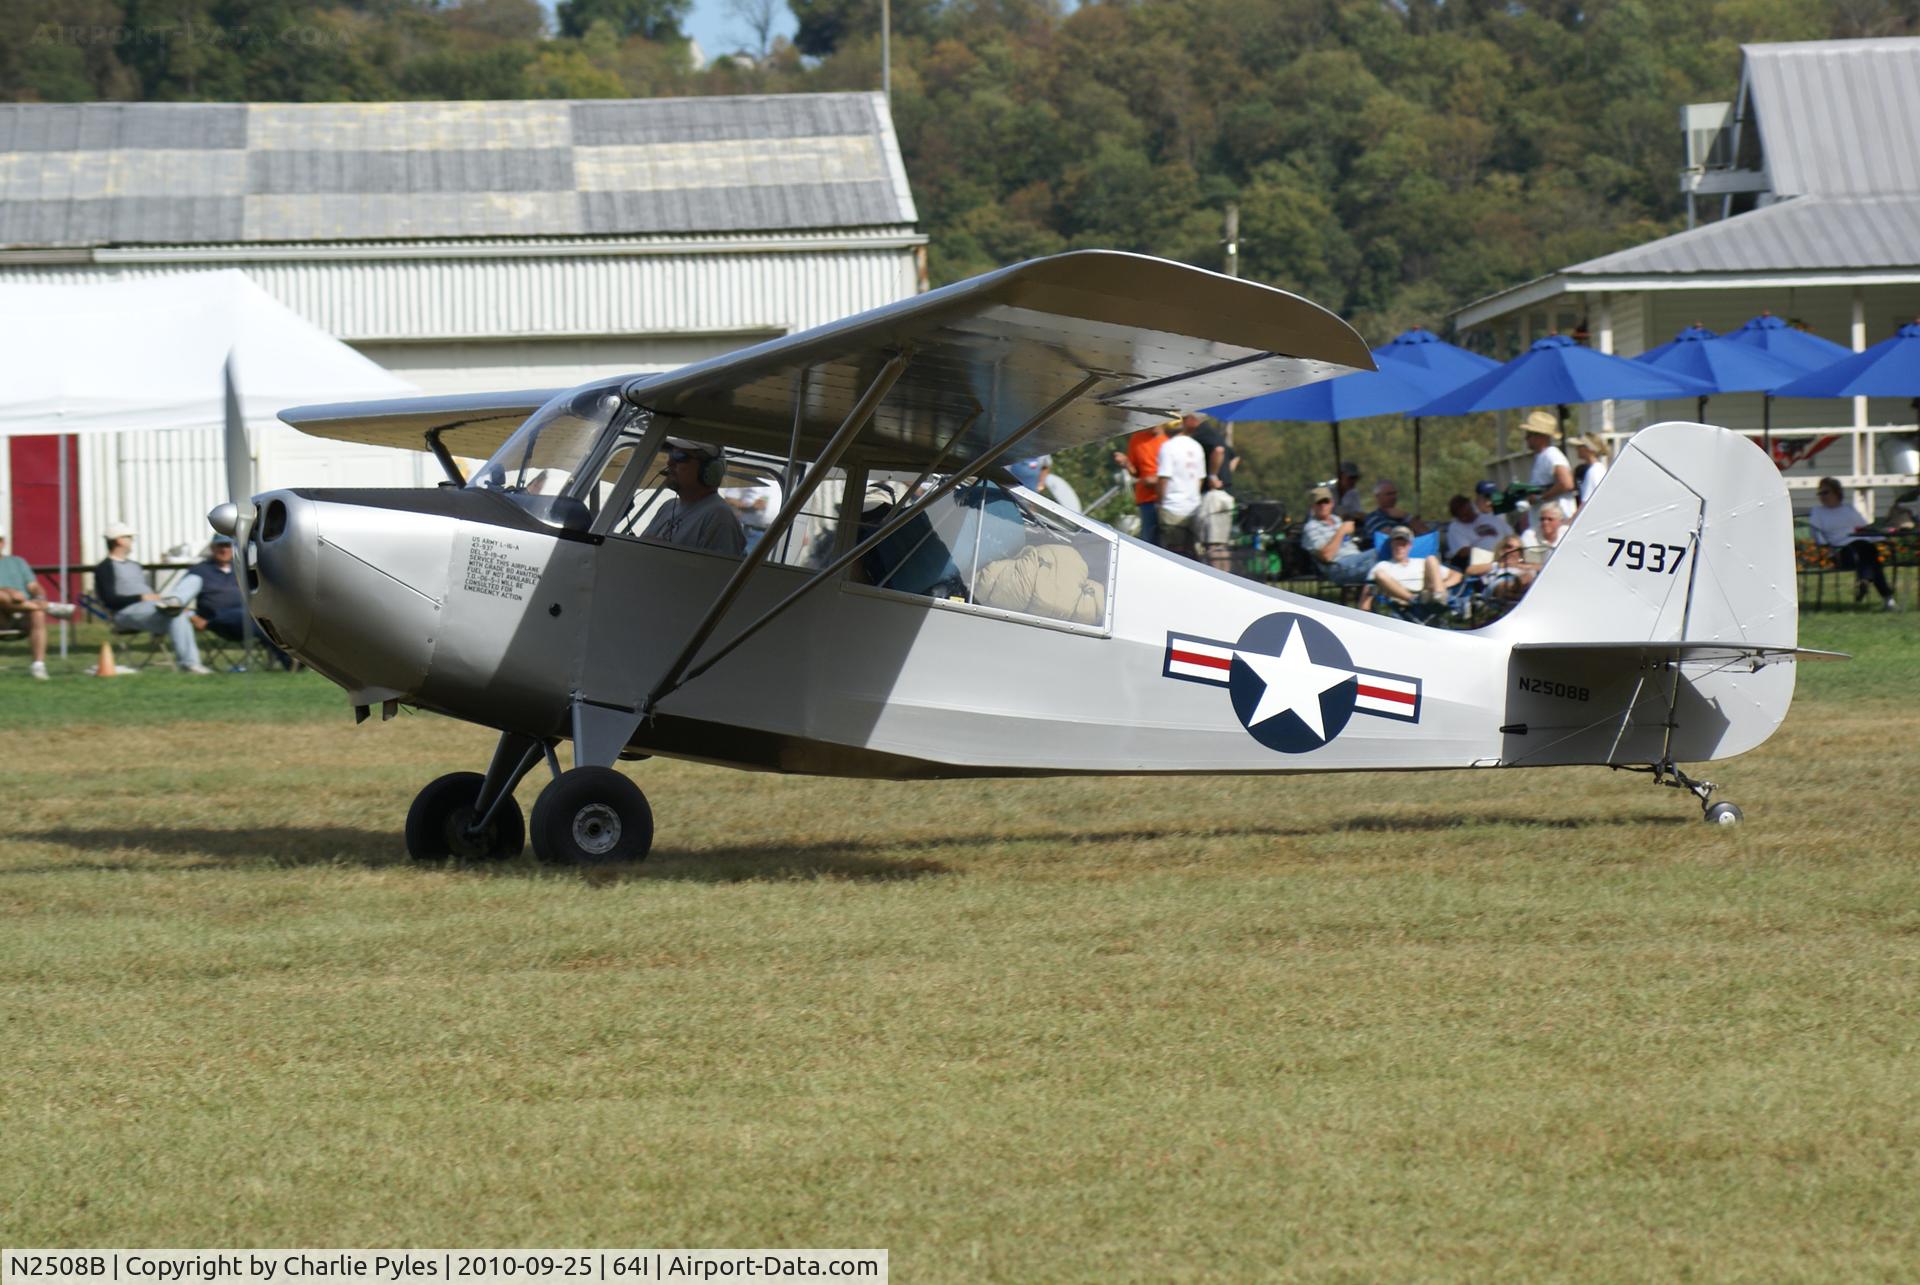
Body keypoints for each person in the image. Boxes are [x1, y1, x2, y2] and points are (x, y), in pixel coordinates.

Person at [91, 522, 210, 673]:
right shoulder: (105, 567)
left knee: (182, 604)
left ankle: (190, 662)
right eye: (129, 537)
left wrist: (151, 600)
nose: (132, 541)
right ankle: (189, 663)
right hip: (124, 613)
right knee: (175, 613)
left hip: (151, 609)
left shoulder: (135, 565)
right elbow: (110, 600)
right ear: (119, 540)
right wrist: (141, 597)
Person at [187, 535, 290, 669]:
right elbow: (178, 599)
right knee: (259, 622)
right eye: (220, 546)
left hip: (248, 616)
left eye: (227, 546)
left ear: (233, 548)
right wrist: (193, 617)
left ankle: (293, 658)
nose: (224, 550)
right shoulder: (199, 571)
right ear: (212, 549)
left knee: (271, 618)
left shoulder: (242, 569)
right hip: (217, 619)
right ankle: (289, 660)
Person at [641, 439, 746, 556]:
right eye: (671, 454)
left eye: (680, 456)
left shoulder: (719, 516)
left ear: (710, 469)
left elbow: (716, 572)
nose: (669, 462)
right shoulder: (668, 506)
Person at [1807, 477, 1896, 610]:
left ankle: (1866, 580)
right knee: (1870, 556)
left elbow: (1863, 527)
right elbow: (1817, 535)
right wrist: (1828, 550)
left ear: (1837, 493)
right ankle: (1887, 598)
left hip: (1860, 547)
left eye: (1826, 492)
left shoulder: (1848, 509)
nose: (1822, 496)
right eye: (1820, 493)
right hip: (1842, 552)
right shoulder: (1818, 512)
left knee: (1867, 551)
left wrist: (1881, 536)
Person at [0, 529, 77, 680]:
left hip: (24, 615)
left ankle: (38, 665)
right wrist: (9, 591)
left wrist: (39, 596)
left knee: (38, 613)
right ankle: (48, 607)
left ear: (3, 542)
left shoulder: (17, 562)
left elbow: (34, 586)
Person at [1299, 486, 1376, 608]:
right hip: (1338, 568)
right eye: (1319, 503)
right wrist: (1341, 531)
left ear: (1332, 503)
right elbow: (1326, 556)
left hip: (1356, 560)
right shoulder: (1311, 527)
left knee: (1383, 563)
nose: (1323, 505)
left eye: (1326, 501)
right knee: (1381, 553)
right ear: (1313, 506)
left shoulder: (1336, 519)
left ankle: (1367, 607)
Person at [1183, 411, 1238, 571]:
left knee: (1213, 545)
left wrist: (1213, 475)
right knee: (1220, 544)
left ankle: (1220, 579)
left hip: (1215, 496)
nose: (1182, 423)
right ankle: (1225, 579)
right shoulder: (1212, 432)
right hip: (1225, 493)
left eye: (1184, 419)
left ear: (1193, 420)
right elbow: (1234, 457)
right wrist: (1226, 476)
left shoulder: (1202, 434)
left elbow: (1219, 451)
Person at [1371, 525, 1462, 608]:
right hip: (1402, 598)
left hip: (1428, 593)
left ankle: (1438, 596)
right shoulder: (1383, 565)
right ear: (1391, 544)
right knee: (1379, 574)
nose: (1400, 547)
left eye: (1403, 544)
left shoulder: (1421, 562)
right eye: (1397, 543)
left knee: (1431, 559)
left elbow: (1457, 575)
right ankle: (1413, 599)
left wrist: (1442, 585)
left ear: (1410, 546)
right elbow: (1369, 585)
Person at [1154, 415, 1206, 558]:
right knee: (1192, 553)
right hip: (1194, 507)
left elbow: (1164, 478)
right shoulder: (1197, 446)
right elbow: (1200, 479)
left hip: (1173, 507)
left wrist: (1160, 502)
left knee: (1173, 553)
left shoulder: (1167, 447)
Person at [1113, 420, 1169, 545]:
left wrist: (1157, 480)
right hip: (1147, 499)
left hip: (1169, 499)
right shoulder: (1137, 439)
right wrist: (1126, 463)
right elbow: (1136, 472)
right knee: (1149, 540)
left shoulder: (1170, 441)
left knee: (1170, 540)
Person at [1522, 410, 1578, 518]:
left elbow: (1567, 483)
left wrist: (1540, 497)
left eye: (1529, 435)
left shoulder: (1551, 454)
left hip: (1559, 521)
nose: (1526, 438)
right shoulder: (1542, 456)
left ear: (1541, 437)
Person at [1441, 494, 1509, 570]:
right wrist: (1487, 550)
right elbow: (1463, 552)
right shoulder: (1455, 527)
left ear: (1470, 505)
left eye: (1469, 512)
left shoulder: (1490, 519)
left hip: (1506, 553)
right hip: (1481, 562)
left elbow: (1512, 536)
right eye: (1463, 515)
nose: (1468, 516)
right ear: (1457, 516)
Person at [1361, 479, 1427, 545]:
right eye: (1389, 494)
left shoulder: (1402, 516)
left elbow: (1427, 534)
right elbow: (1393, 538)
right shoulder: (1374, 517)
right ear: (1378, 497)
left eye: (1394, 494)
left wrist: (1407, 517)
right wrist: (1414, 533)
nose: (1393, 497)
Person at [1572, 434, 1610, 505]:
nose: (1576, 449)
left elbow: (1585, 503)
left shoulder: (1594, 471)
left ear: (1588, 448)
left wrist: (1573, 516)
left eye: (1579, 446)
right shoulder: (1597, 468)